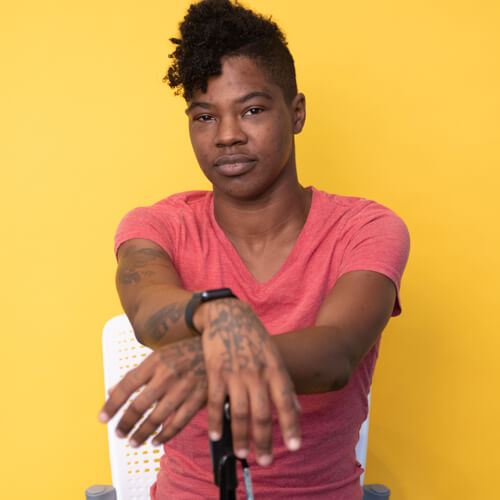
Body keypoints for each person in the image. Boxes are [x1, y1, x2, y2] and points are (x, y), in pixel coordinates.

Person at [98, 0, 410, 498]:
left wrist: (212, 357)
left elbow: (335, 355)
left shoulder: (366, 228)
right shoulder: (158, 225)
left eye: (252, 110)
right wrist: (217, 314)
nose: (226, 136)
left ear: (297, 112)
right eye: (204, 117)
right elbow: (146, 308)